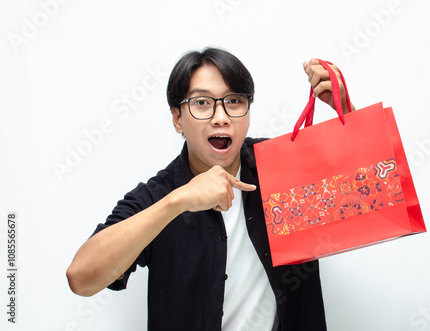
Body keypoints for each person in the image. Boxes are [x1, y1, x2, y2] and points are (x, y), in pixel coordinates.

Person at [66, 47, 354, 331]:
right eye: (202, 103)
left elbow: (372, 193)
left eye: (234, 101)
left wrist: (348, 113)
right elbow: (81, 278)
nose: (221, 117)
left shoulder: (280, 166)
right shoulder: (159, 195)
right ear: (178, 118)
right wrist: (178, 201)